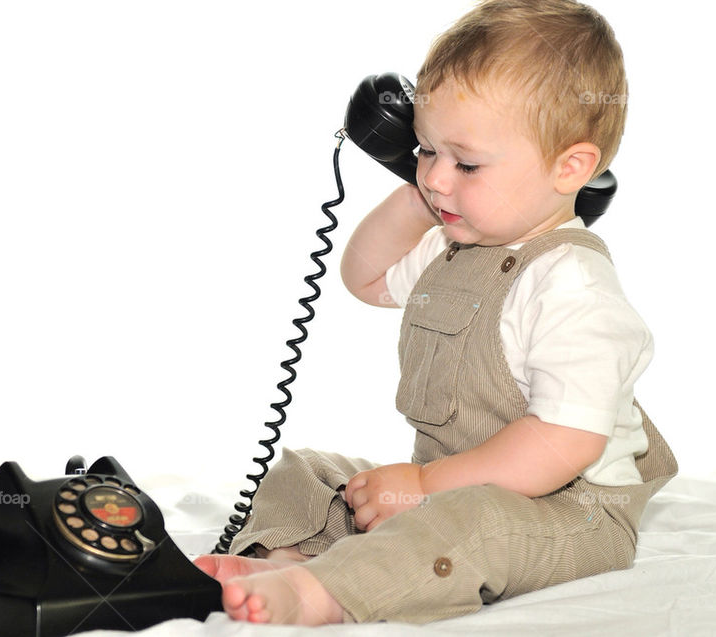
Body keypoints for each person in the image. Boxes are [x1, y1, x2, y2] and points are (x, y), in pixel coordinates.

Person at [195, 0, 677, 625]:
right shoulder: (452, 243)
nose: (438, 177)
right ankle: (286, 556)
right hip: (444, 486)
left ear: (571, 169)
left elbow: (564, 441)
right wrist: (420, 196)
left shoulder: (572, 284)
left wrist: (424, 488)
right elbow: (363, 278)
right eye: (425, 150)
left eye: (466, 163)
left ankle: (323, 594)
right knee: (309, 473)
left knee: (469, 523)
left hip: (569, 514)